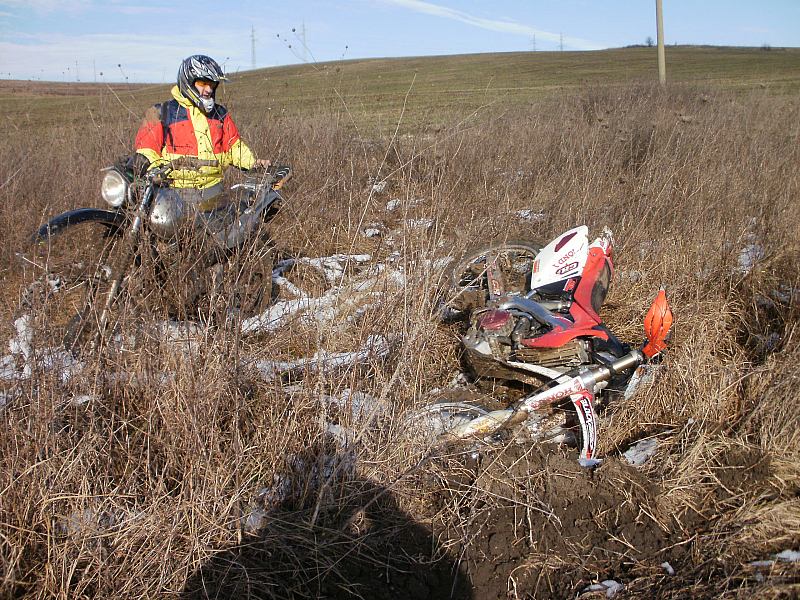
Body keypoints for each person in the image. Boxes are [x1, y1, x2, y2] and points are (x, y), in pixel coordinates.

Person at [133, 54, 270, 239]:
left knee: (220, 242)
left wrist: (254, 163)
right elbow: (145, 149)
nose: (207, 90)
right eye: (202, 83)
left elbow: (233, 146)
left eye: (212, 84)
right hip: (174, 192)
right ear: (187, 81)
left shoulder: (220, 113)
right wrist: (154, 169)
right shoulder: (158, 111)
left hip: (214, 191)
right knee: (166, 239)